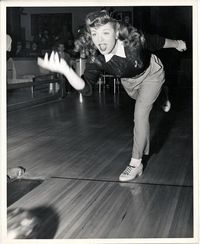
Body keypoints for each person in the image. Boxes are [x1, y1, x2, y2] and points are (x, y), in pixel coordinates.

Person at [37, 10, 187, 182]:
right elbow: (86, 89)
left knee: (140, 114)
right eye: (94, 34)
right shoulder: (97, 60)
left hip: (152, 73)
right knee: (144, 101)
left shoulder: (134, 39)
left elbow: (158, 42)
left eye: (105, 33)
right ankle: (162, 94)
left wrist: (177, 44)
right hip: (130, 83)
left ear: (116, 32)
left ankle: (136, 163)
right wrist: (66, 71)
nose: (99, 40)